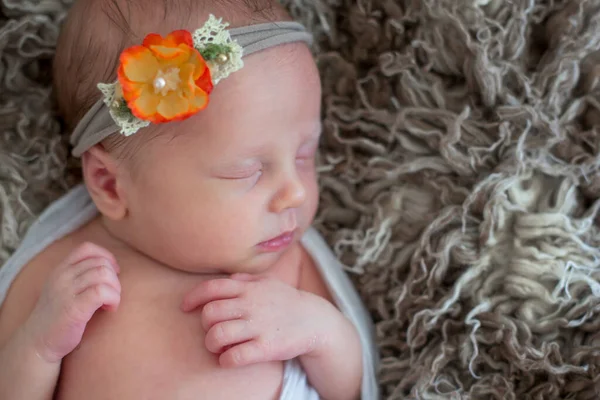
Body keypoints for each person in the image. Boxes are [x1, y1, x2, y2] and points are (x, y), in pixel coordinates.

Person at [0, 0, 378, 398]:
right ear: (110, 185)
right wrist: (39, 347)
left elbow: (352, 390)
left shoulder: (289, 266)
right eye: (246, 172)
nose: (295, 192)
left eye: (305, 156)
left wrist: (318, 332)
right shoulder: (64, 276)